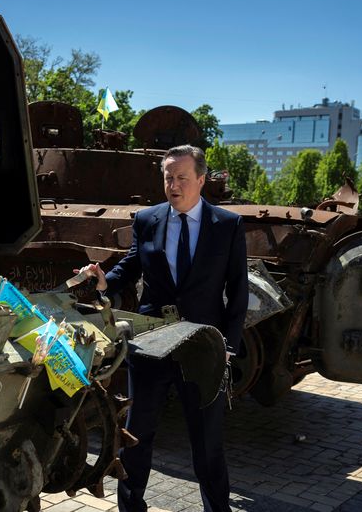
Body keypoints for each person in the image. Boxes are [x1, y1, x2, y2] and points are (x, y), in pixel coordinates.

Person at [77, 144, 249, 512]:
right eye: (168, 177)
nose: (173, 185)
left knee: (207, 445)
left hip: (203, 350)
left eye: (182, 177)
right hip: (152, 347)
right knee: (136, 438)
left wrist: (229, 347)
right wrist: (105, 282)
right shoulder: (148, 219)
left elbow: (238, 293)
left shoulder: (228, 225)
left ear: (201, 180)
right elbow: (132, 265)